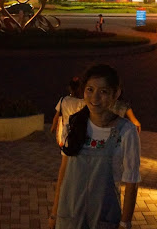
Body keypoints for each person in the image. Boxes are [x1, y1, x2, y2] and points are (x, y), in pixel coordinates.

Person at [49, 64, 140, 229]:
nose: (95, 98)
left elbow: (132, 182)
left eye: (103, 91)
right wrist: (54, 214)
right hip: (69, 216)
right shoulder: (73, 124)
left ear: (116, 94)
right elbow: (64, 171)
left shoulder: (126, 131)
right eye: (90, 89)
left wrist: (125, 222)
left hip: (104, 218)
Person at [50, 76, 83, 147]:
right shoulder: (82, 102)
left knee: (65, 151)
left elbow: (56, 116)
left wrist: (53, 127)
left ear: (70, 88)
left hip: (65, 131)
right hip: (77, 131)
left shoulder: (63, 100)